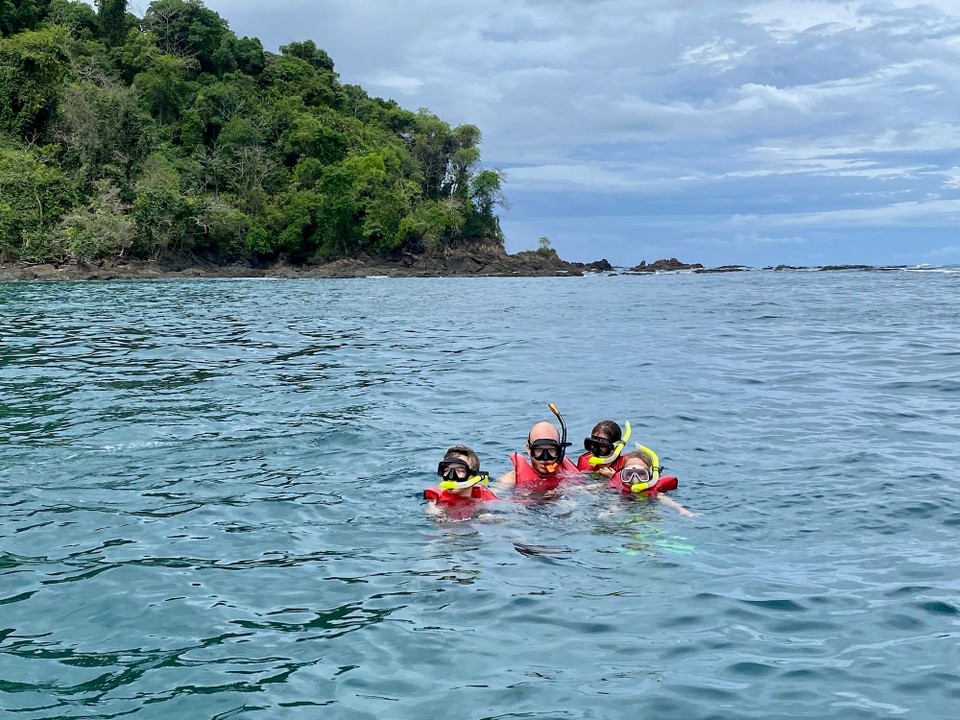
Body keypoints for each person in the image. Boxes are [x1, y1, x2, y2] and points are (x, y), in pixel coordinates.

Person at [496, 419, 579, 493]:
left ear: (560, 450)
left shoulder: (569, 475)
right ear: (529, 449)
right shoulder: (510, 481)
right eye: (539, 450)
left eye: (551, 450)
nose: (545, 458)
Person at [606, 448, 695, 517]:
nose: (635, 479)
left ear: (650, 474)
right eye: (629, 474)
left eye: (641, 474)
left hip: (648, 509)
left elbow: (667, 501)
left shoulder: (653, 490)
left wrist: (681, 510)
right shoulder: (621, 486)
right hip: (626, 506)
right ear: (622, 474)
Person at [424, 445, 497, 520]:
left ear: (474, 477)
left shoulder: (484, 496)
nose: (451, 476)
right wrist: (435, 512)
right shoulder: (437, 499)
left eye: (460, 470)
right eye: (446, 470)